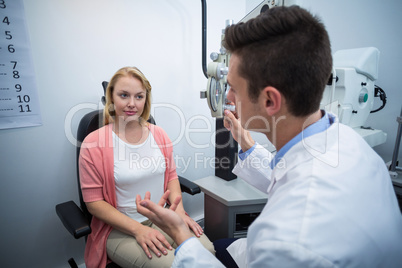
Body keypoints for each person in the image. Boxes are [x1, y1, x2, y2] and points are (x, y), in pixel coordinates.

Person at [136, 5, 402, 268]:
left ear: (269, 100)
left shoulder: (290, 237)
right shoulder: (344, 138)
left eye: (233, 88)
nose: (227, 97)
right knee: (219, 246)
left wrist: (179, 233)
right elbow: (286, 174)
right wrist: (245, 140)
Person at [79, 66, 214, 268]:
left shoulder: (159, 134)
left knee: (208, 252)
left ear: (146, 99)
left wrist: (179, 214)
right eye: (124, 95)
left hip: (163, 216)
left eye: (139, 96)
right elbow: (94, 203)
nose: (132, 104)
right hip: (120, 229)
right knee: (175, 265)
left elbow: (171, 177)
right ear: (111, 98)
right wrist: (138, 230)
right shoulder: (94, 143)